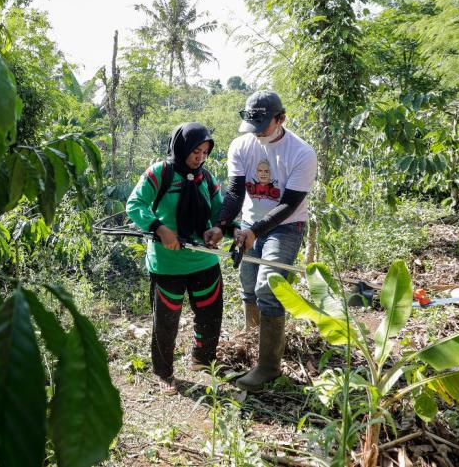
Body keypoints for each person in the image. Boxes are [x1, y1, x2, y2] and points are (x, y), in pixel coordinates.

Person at [205, 90, 317, 391]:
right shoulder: (241, 145)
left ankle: (268, 366)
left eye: (263, 125)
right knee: (248, 283)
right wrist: (221, 225)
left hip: (285, 226)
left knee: (268, 287)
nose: (256, 132)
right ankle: (252, 341)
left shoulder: (302, 153)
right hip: (249, 223)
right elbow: (234, 192)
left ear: (281, 119)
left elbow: (289, 204)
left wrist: (256, 230)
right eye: (252, 126)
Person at [126, 122, 235, 393]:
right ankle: (164, 372)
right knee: (166, 322)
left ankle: (203, 360)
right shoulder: (160, 173)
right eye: (196, 151)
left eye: (205, 152)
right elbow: (135, 204)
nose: (200, 157)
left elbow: (219, 212)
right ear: (181, 147)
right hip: (168, 263)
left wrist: (219, 229)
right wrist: (159, 229)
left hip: (204, 260)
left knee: (210, 315)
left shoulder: (207, 179)